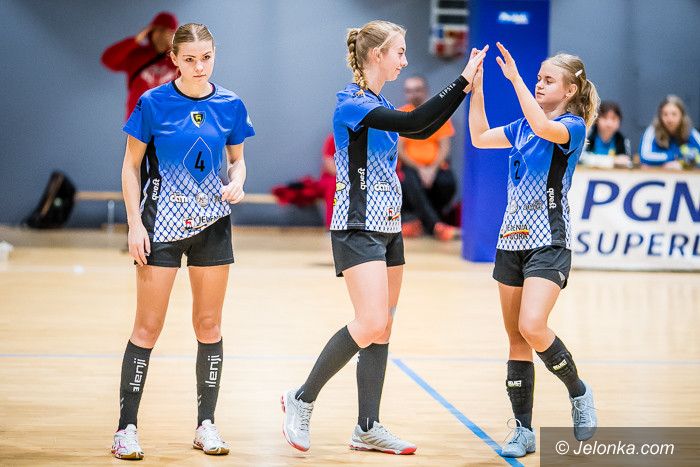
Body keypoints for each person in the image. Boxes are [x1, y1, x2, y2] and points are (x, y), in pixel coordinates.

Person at [281, 20, 487, 455]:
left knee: (383, 325)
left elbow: (423, 129)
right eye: (400, 52)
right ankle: (302, 397)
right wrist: (462, 81)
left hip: (389, 226)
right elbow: (417, 123)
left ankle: (367, 427)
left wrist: (465, 86)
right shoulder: (352, 104)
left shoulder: (379, 102)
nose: (405, 60)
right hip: (357, 226)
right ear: (376, 55)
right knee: (371, 321)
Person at [111, 23, 255, 460]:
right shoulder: (152, 103)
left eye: (206, 57)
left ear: (214, 55)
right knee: (147, 327)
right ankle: (126, 429)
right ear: (174, 59)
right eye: (189, 59)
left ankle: (206, 425)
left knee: (209, 325)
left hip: (213, 225)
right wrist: (134, 225)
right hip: (161, 226)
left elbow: (238, 161)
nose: (199, 67)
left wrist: (238, 181)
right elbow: (130, 166)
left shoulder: (230, 104)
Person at [468, 43, 598, 458]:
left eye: (547, 80)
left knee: (533, 325)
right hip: (511, 240)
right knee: (516, 338)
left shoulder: (571, 127)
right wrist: (478, 90)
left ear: (571, 90)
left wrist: (516, 80)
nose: (539, 85)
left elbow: (543, 127)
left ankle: (578, 391)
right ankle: (522, 430)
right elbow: (479, 137)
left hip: (549, 241)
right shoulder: (522, 126)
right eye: (538, 79)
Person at [398, 76, 459, 241]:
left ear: (425, 91)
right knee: (410, 181)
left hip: (436, 167)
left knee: (447, 183)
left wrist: (431, 169)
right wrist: (420, 169)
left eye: (417, 90)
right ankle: (436, 226)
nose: (413, 94)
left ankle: (422, 222)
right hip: (410, 167)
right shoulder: (400, 114)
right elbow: (400, 149)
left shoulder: (438, 113)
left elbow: (445, 146)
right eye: (409, 91)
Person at [101, 12, 179, 121]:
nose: (162, 36)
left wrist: (178, 50)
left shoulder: (178, 59)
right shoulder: (137, 55)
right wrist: (135, 40)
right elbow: (108, 59)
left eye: (168, 32)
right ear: (151, 32)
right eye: (159, 30)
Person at [639, 95, 700, 169]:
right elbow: (644, 157)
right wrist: (675, 156)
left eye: (674, 114)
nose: (669, 119)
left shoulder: (691, 132)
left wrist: (682, 164)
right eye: (665, 114)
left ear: (682, 116)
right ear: (660, 117)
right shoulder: (651, 131)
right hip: (659, 174)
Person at [583, 101, 631, 167]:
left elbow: (626, 162)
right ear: (596, 119)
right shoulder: (587, 137)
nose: (609, 123)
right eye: (605, 118)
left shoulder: (623, 140)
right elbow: (582, 159)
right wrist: (613, 161)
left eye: (613, 119)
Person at [320, 133, 337, 228]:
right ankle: (332, 226)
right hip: (333, 178)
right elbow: (329, 165)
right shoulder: (333, 138)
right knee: (335, 184)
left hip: (358, 176)